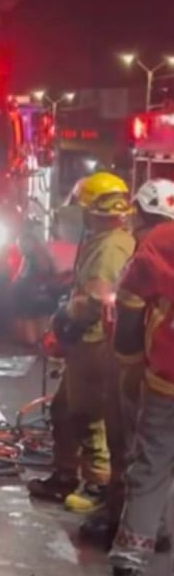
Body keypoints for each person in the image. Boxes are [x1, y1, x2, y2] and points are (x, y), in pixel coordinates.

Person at [28, 172, 135, 514]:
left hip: (95, 343)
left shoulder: (110, 246)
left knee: (89, 416)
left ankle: (97, 486)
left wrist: (65, 320)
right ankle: (64, 476)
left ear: (92, 210)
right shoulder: (106, 239)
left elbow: (98, 299)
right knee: (63, 409)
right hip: (87, 341)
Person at [80, 179, 174, 555]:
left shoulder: (155, 245)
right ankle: (160, 531)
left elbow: (130, 307)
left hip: (162, 378)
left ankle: (126, 573)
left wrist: (129, 364)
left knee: (146, 467)